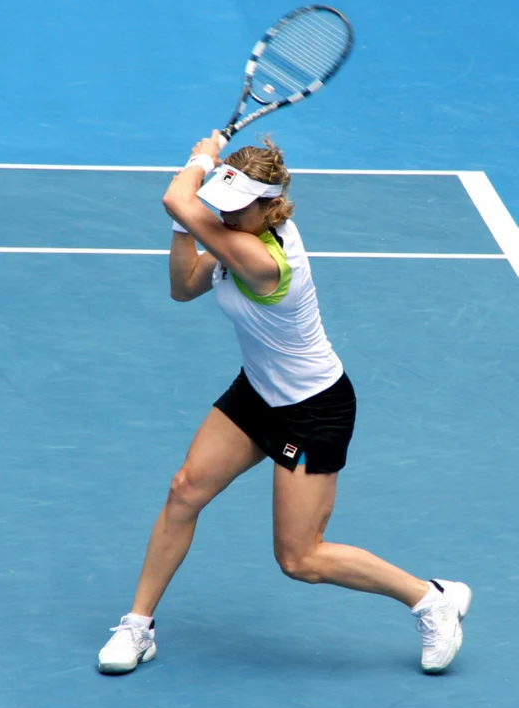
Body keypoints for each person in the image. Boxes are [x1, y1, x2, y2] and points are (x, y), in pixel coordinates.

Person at [96, 130, 471, 676]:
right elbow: (183, 285)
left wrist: (199, 160)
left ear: (271, 207)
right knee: (184, 491)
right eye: (219, 207)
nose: (223, 218)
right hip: (257, 392)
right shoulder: (235, 235)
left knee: (300, 558)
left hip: (314, 410)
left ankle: (429, 598)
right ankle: (139, 626)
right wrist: (186, 223)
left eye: (235, 209)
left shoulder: (264, 261)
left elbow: (177, 196)